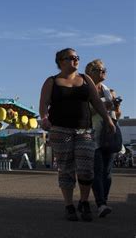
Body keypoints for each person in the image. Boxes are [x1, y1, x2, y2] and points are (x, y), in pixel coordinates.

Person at [39, 48, 115, 222]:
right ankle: (69, 205)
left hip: (84, 130)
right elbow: (43, 103)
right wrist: (44, 118)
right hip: (60, 129)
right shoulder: (52, 81)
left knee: (86, 169)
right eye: (71, 58)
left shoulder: (86, 79)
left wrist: (108, 120)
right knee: (66, 168)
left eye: (77, 57)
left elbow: (96, 102)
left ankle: (84, 201)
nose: (76, 60)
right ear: (61, 62)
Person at [85, 59, 122, 217]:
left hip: (108, 133)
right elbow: (84, 114)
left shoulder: (108, 90)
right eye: (100, 70)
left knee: (107, 172)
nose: (104, 72)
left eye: (104, 69)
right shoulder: (86, 91)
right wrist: (102, 107)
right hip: (93, 135)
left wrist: (116, 106)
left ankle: (103, 203)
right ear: (91, 72)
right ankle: (101, 203)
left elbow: (117, 116)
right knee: (97, 170)